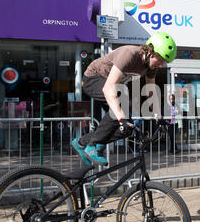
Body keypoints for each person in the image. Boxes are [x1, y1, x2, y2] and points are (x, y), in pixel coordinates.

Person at [72, 31, 177, 166]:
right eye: (161, 60)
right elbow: (108, 87)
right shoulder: (130, 54)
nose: (161, 65)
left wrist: (159, 115)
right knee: (120, 109)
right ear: (151, 51)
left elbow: (151, 89)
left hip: (114, 88)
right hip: (93, 79)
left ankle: (81, 143)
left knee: (127, 129)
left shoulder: (151, 66)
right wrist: (121, 116)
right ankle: (93, 145)